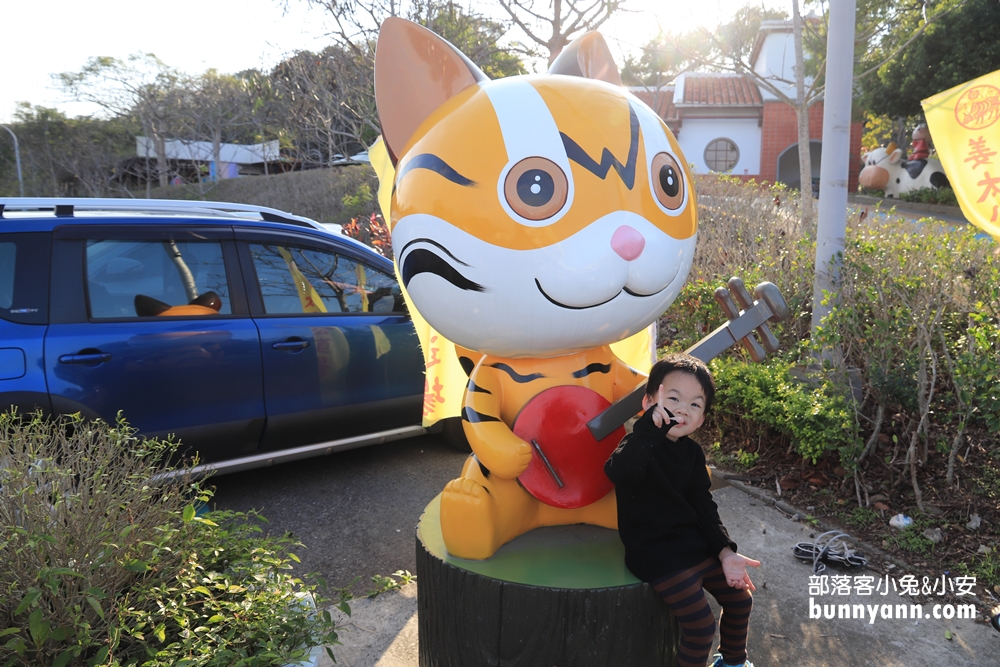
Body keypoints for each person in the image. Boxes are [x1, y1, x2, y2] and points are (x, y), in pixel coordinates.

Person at [604, 353, 760, 667]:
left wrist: (726, 551)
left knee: (740, 600)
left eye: (694, 404)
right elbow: (618, 472)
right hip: (655, 554)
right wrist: (648, 430)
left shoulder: (691, 452)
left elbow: (703, 504)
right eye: (673, 398)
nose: (681, 409)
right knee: (700, 627)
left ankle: (732, 662)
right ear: (648, 402)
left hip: (694, 547)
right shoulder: (637, 444)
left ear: (701, 418)